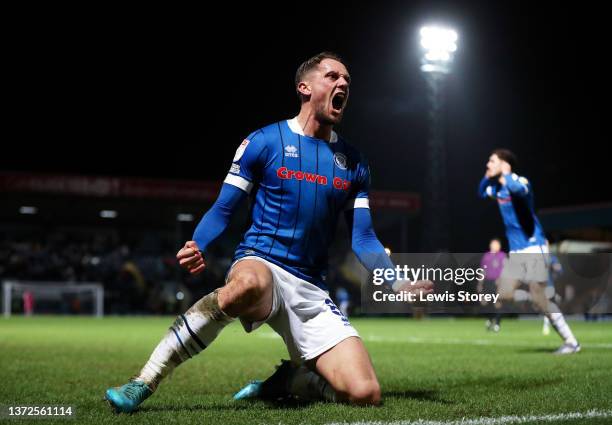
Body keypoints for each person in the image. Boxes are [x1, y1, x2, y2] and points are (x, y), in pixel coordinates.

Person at [105, 52, 432, 413]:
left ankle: (290, 381)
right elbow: (225, 207)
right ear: (304, 87)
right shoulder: (264, 141)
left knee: (365, 394)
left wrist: (398, 283)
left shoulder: (354, 163)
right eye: (332, 76)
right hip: (261, 263)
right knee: (246, 286)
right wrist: (198, 242)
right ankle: (143, 381)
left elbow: (364, 238)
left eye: (347, 81)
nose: (343, 84)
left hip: (311, 288)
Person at [478, 148, 580, 354]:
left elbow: (517, 190)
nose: (488, 164)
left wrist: (505, 174)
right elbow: (481, 192)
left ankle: (571, 342)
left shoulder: (520, 182)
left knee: (540, 300)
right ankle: (536, 297)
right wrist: (487, 177)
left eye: (492, 161)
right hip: (516, 251)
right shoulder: (497, 188)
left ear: (504, 164)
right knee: (503, 293)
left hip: (534, 246)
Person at [477, 238, 506, 332]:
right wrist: (480, 283)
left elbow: (506, 269)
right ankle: (490, 319)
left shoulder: (502, 256)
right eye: (492, 244)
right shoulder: (487, 256)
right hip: (487, 282)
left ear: (499, 246)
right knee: (486, 303)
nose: (494, 246)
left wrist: (502, 280)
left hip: (499, 282)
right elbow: (482, 270)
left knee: (498, 303)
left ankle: (497, 323)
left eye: (496, 244)